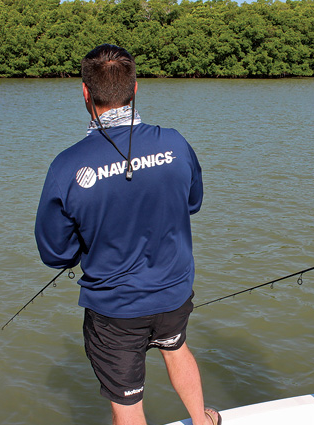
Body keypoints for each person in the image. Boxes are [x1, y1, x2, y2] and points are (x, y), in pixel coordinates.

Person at [34, 44, 221, 425]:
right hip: (174, 292)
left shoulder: (66, 166)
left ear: (85, 92)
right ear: (135, 88)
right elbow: (193, 202)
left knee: (128, 406)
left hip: (114, 310)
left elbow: (56, 253)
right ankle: (203, 421)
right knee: (176, 347)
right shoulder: (175, 144)